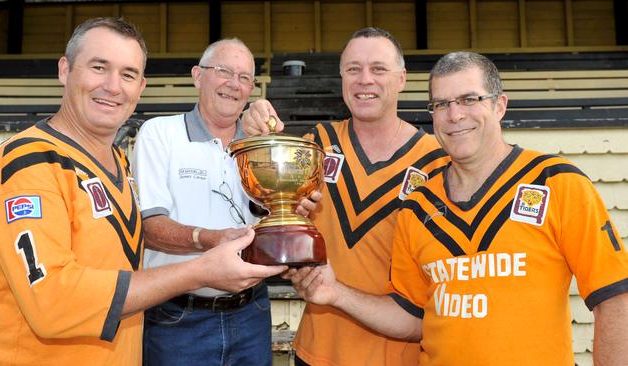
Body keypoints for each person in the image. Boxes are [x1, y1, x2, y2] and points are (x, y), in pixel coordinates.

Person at [284, 51, 628, 365]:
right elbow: (411, 317)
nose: (455, 114)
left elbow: (614, 297)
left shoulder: (556, 183)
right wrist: (335, 293)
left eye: (469, 99)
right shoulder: (418, 205)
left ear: (500, 105)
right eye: (441, 104)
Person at [0, 18, 286, 366]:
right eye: (99, 67)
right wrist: (199, 270)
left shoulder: (117, 163)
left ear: (141, 87)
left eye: (127, 74)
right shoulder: (26, 163)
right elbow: (52, 302)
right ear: (65, 70)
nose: (113, 86)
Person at [242, 28, 449, 366]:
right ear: (341, 78)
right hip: (318, 350)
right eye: (353, 69)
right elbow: (268, 217)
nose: (364, 79)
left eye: (378, 69)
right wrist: (256, 131)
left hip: (404, 355)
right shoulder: (315, 145)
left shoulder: (438, 160)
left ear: (402, 79)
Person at [132, 38, 317, 366]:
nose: (234, 84)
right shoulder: (159, 134)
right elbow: (150, 228)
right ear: (197, 76)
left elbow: (265, 214)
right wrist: (212, 240)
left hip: (252, 311)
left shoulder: (258, 149)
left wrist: (293, 211)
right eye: (224, 71)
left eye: (245, 77)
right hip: (177, 319)